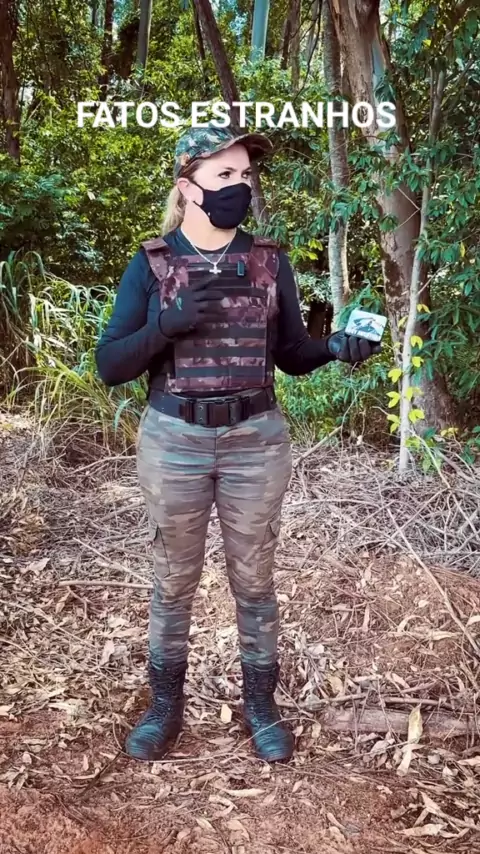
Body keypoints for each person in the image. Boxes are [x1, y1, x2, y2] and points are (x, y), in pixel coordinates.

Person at [95, 123, 380, 765]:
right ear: (187, 186)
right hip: (175, 440)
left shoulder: (268, 261)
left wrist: (336, 347)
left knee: (254, 582)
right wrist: (165, 325)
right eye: (224, 174)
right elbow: (110, 364)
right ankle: (164, 708)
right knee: (173, 581)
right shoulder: (152, 264)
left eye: (245, 175)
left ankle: (260, 706)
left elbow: (291, 354)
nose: (239, 186)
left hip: (255, 440)